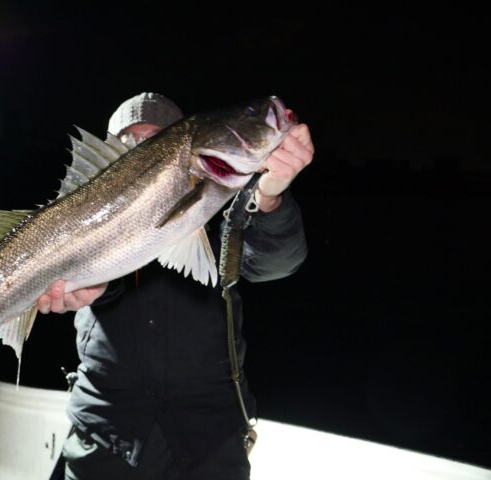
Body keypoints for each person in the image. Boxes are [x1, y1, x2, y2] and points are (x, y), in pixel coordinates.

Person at [39, 92, 314, 480]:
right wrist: (81, 288)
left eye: (155, 139)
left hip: (208, 435)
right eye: (128, 141)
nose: (141, 148)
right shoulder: (86, 217)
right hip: (106, 426)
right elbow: (100, 283)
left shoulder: (219, 207)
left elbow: (274, 263)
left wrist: (269, 197)